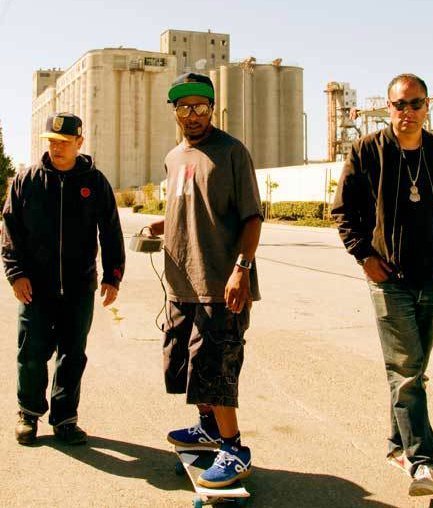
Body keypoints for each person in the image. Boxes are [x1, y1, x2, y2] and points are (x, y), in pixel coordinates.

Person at [332, 74, 433, 496]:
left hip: (432, 279)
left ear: (427, 106)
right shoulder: (367, 150)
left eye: (415, 104)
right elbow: (343, 211)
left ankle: (397, 444)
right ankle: (423, 462)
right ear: (388, 108)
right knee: (407, 370)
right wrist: (364, 256)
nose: (407, 112)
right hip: (389, 280)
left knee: (412, 372)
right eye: (399, 105)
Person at [148, 72, 263, 488]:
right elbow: (191, 206)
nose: (192, 114)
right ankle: (209, 428)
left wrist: (241, 269)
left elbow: (252, 217)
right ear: (175, 112)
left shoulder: (232, 152)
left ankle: (234, 449)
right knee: (185, 365)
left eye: (199, 106)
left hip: (221, 282)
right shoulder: (174, 157)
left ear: (212, 108)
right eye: (184, 107)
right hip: (181, 281)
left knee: (215, 368)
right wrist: (160, 226)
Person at [1, 113, 125, 445]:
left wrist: (113, 276)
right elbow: (10, 230)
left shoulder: (94, 182)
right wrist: (15, 274)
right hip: (35, 287)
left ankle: (65, 419)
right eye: (52, 142)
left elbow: (110, 231)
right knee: (31, 353)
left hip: (78, 286)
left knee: (72, 353)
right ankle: (28, 414)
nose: (56, 148)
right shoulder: (27, 180)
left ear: (79, 142)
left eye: (64, 142)